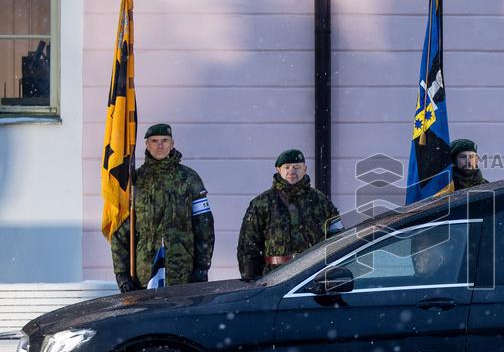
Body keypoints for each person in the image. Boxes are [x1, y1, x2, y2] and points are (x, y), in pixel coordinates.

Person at [112, 123, 215, 292]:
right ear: (147, 144)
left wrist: (202, 268)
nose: (160, 145)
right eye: (154, 141)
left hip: (183, 272)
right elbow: (120, 233)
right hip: (143, 274)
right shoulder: (134, 182)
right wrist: (122, 274)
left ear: (172, 143)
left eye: (165, 140)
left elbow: (204, 228)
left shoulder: (189, 179)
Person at [237, 149, 342, 279]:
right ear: (278, 169)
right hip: (274, 278)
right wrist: (251, 280)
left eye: (297, 167)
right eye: (286, 167)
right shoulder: (262, 203)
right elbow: (248, 246)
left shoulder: (321, 201)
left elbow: (338, 237)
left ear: (305, 169)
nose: (291, 171)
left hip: (314, 276)